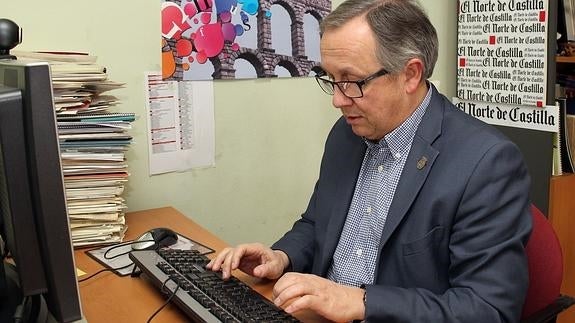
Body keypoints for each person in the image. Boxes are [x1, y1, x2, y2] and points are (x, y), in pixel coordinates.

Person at [207, 0, 532, 321]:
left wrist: (362, 302)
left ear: (410, 75)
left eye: (352, 81)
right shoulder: (346, 134)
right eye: (331, 78)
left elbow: (488, 310)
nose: (337, 99)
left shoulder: (486, 163)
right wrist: (281, 256)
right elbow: (317, 224)